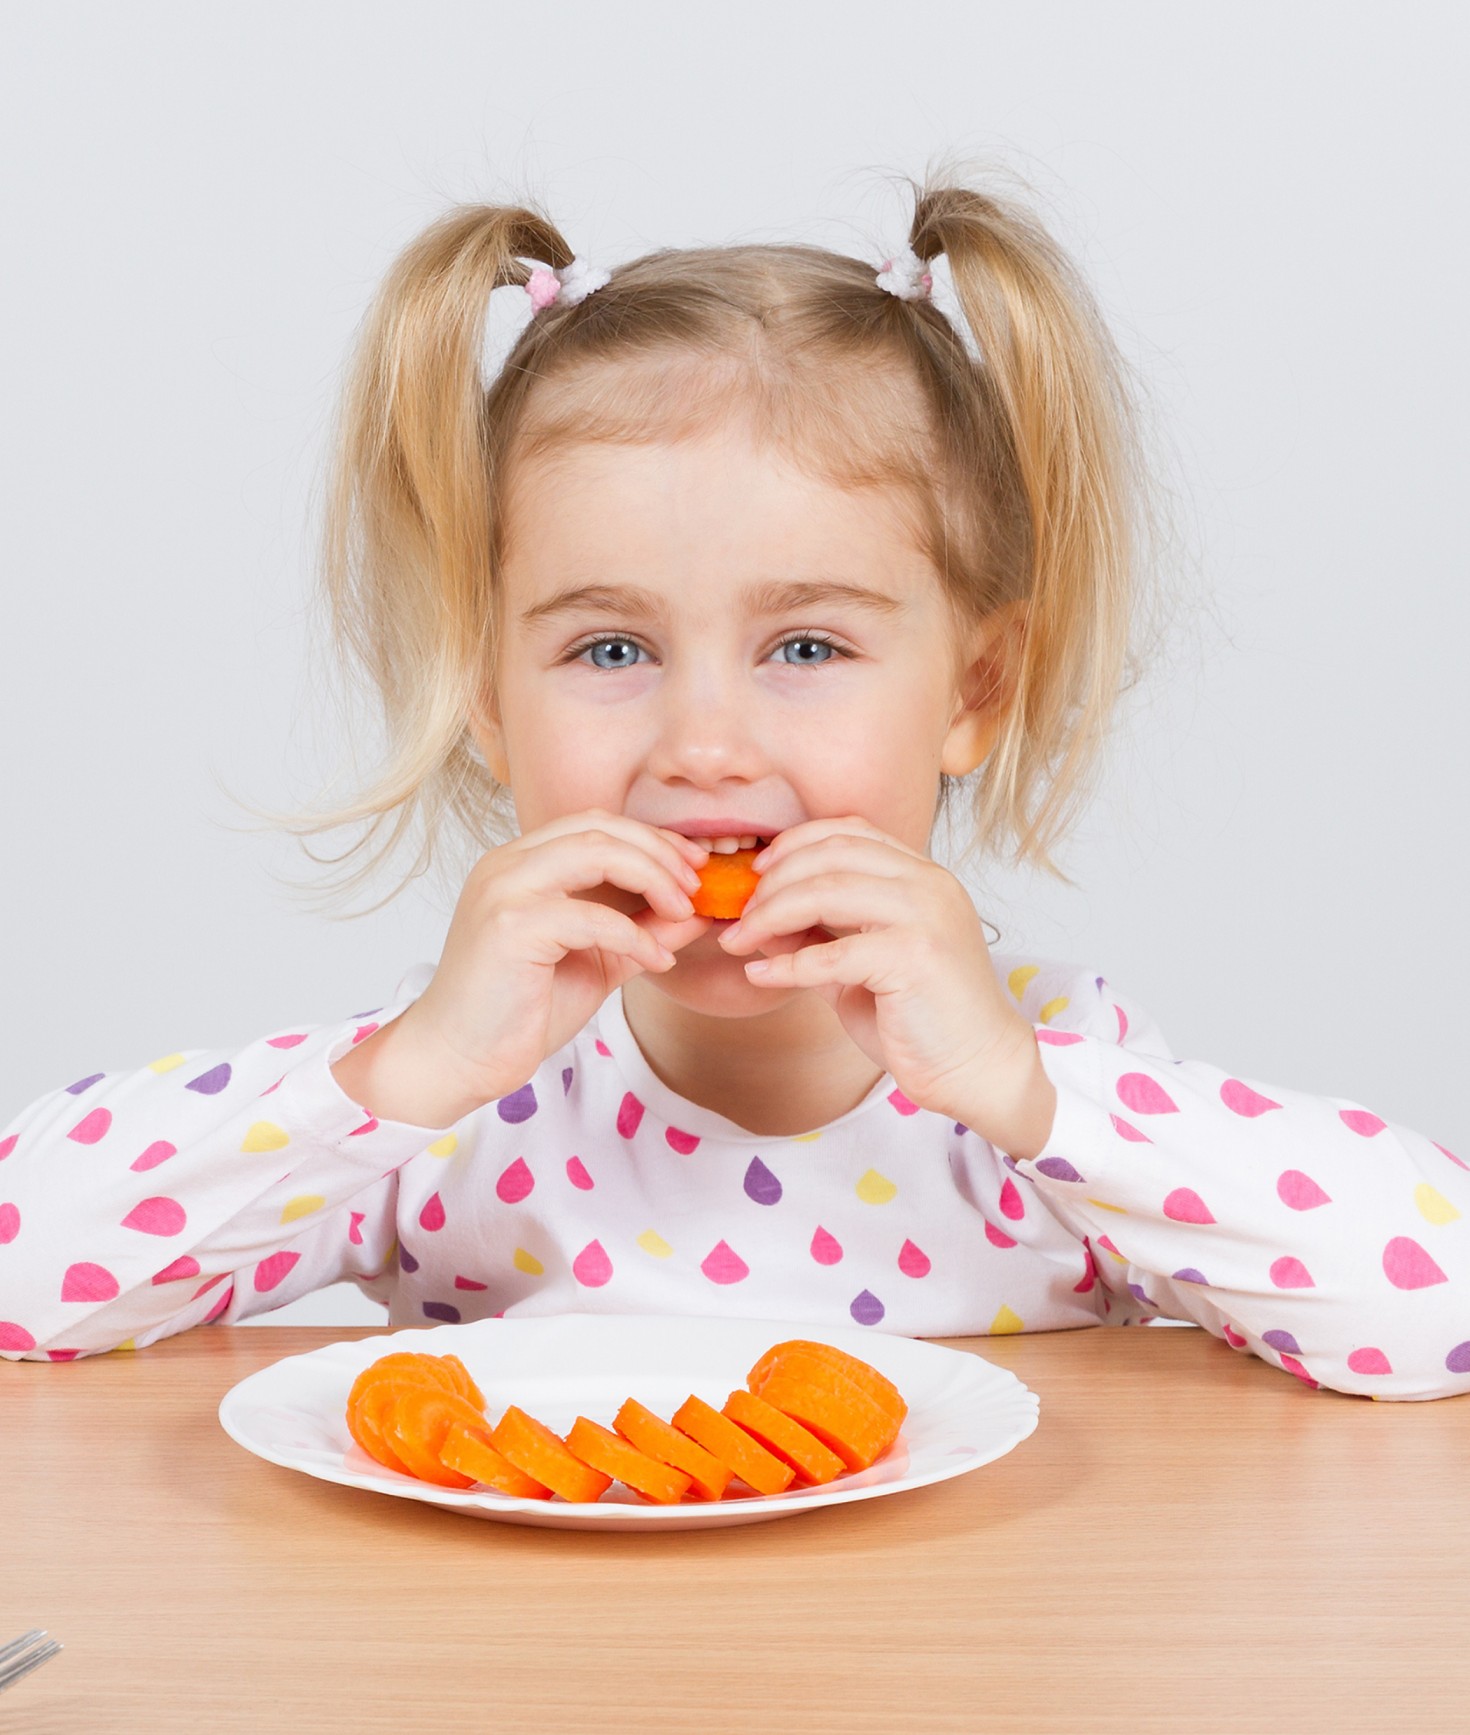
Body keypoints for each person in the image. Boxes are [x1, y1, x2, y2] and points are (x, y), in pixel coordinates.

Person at [3, 169, 1465, 1403]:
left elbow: (1436, 1308)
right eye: (611, 646)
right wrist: (400, 1076)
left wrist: (1028, 1098)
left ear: (972, 689)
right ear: (486, 706)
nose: (703, 743)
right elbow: (23, 1279)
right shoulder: (463, 1097)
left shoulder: (1047, 1084)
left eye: (807, 645)